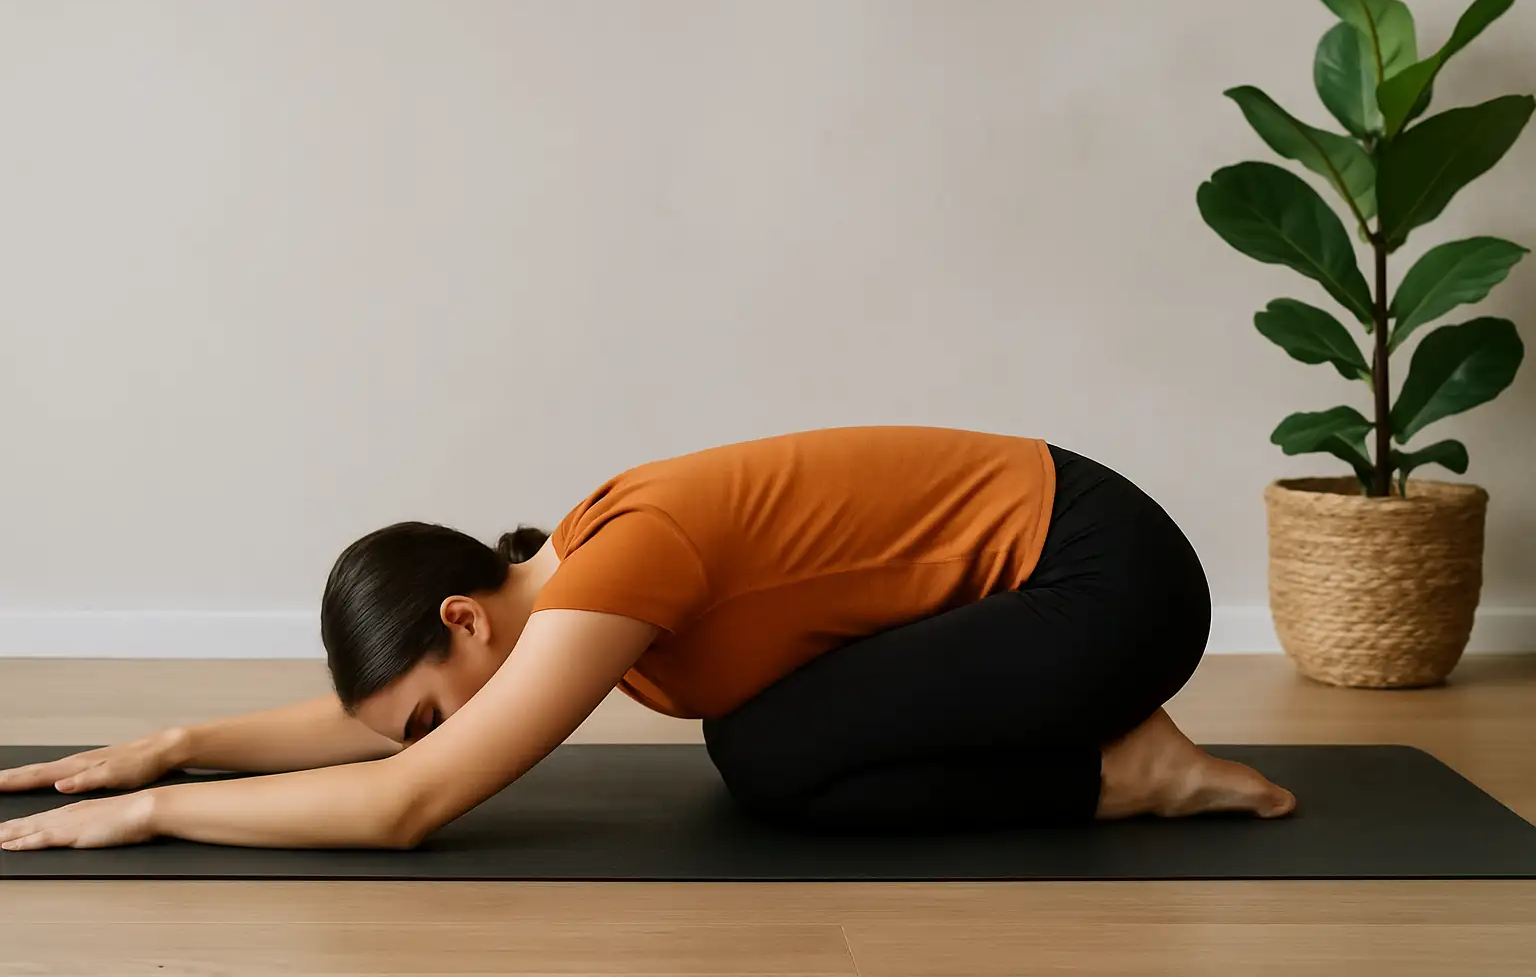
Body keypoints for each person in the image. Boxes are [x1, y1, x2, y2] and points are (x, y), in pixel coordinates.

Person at [0, 426, 1294, 852]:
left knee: (770, 759)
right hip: (1046, 596)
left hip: (1103, 580)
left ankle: (1127, 770)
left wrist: (159, 819)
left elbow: (408, 795)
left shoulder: (614, 566)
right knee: (769, 757)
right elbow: (391, 731)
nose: (449, 721)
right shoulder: (568, 575)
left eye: (440, 696)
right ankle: (1116, 764)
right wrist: (173, 747)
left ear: (463, 615)